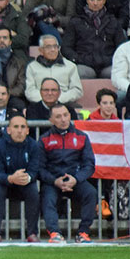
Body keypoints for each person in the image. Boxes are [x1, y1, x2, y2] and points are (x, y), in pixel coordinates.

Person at [37, 103, 97, 244]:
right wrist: (54, 181)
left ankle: (83, 233)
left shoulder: (82, 137)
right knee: (47, 197)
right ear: (51, 120)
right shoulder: (44, 139)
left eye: (65, 115)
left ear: (70, 116)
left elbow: (89, 165)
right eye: (58, 117)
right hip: (53, 181)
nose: (63, 119)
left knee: (91, 193)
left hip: (75, 180)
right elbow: (39, 168)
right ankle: (54, 233)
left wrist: (76, 179)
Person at [0, 113, 40, 243]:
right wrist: (10, 178)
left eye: (22, 127)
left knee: (33, 191)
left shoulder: (33, 146)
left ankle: (32, 233)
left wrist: (28, 178)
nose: (19, 130)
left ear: (27, 130)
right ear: (8, 130)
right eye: (16, 127)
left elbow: (35, 170)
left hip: (22, 182)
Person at [62, 0, 126, 79]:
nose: (95, 3)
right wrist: (77, 59)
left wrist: (112, 60)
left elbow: (122, 47)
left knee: (117, 74)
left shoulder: (113, 22)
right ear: (87, 0)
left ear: (104, 0)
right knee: (80, 73)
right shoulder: (76, 21)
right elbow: (66, 47)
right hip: (84, 64)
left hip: (108, 64)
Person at [25, 34, 82, 105]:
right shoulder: (32, 67)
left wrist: (57, 98)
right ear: (40, 50)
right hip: (40, 104)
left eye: (55, 46)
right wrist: (46, 99)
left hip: (64, 103)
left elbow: (77, 90)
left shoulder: (70, 66)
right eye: (48, 47)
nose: (53, 50)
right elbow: (30, 91)